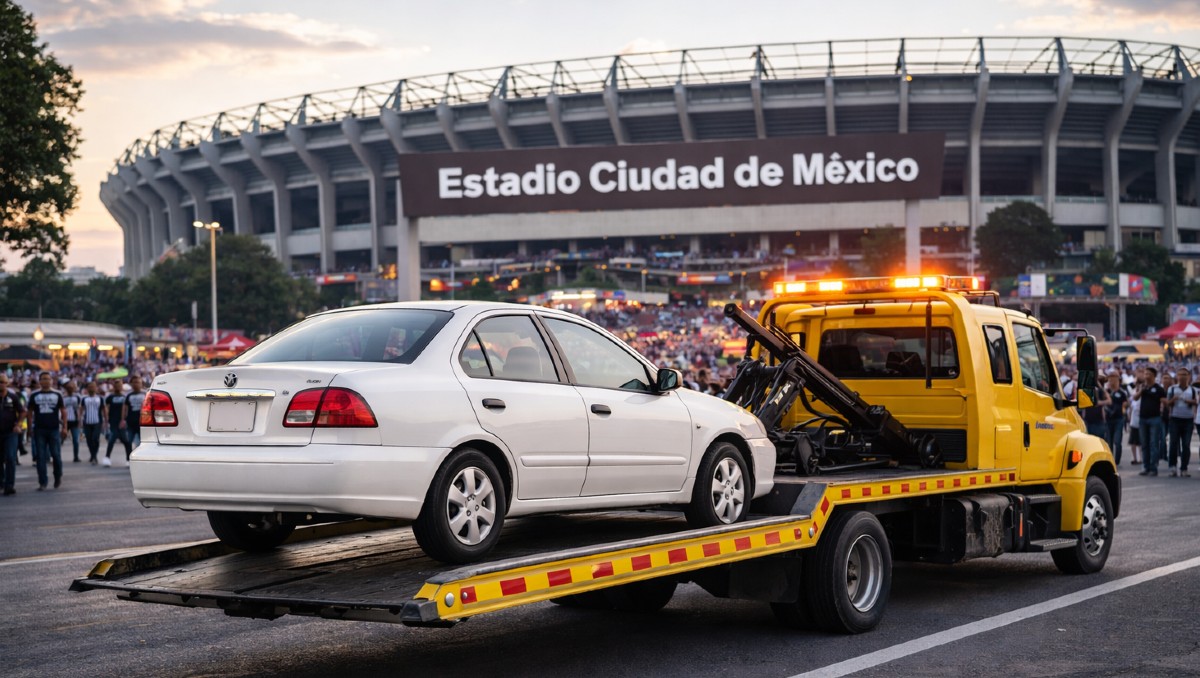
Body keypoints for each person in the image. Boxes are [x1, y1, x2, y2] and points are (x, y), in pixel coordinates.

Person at [28, 371, 67, 490]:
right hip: (39, 429)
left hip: (54, 429)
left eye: (48, 379)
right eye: (43, 379)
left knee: (56, 455)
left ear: (51, 381)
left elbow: (63, 411)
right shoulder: (34, 395)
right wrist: (30, 428)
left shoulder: (57, 394)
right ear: (39, 381)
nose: (45, 381)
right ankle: (42, 482)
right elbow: (29, 413)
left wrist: (65, 427)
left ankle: (57, 476)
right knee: (41, 456)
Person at [1134, 366, 1166, 477]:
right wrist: (1141, 390)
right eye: (1145, 374)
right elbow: (1135, 398)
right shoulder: (1142, 387)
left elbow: (1164, 401)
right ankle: (1145, 467)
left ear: (1154, 376)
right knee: (1144, 444)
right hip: (1142, 419)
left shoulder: (1159, 389)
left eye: (1148, 374)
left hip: (1155, 419)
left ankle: (1153, 467)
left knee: (1153, 444)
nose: (1146, 376)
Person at [1165, 367, 1196, 478]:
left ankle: (1184, 468)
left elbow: (1196, 402)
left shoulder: (1192, 390)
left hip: (1188, 420)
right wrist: (1173, 400)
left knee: (1186, 445)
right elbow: (1167, 403)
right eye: (1180, 374)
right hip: (1175, 419)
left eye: (1185, 374)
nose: (1182, 376)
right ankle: (1172, 466)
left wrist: (1189, 401)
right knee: (1173, 444)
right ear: (1177, 376)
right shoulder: (1172, 389)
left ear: (1188, 376)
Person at [0, 374, 25, 495]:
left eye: (3, 382)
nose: (1, 384)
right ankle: (1, 482)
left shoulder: (13, 397)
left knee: (10, 457)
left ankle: (10, 485)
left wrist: (18, 424)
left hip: (10, 432)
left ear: (7, 383)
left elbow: (22, 412)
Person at [1103, 372, 1129, 466]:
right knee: (1109, 441)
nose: (1111, 380)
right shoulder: (1106, 392)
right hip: (1108, 419)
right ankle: (1110, 460)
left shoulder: (1122, 392)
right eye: (1110, 378)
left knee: (1117, 441)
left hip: (1119, 419)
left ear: (1118, 379)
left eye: (1113, 378)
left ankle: (1117, 461)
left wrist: (1125, 405)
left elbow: (1127, 403)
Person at [102, 378, 128, 467]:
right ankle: (107, 457)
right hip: (113, 421)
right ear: (114, 386)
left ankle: (128, 459)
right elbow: (106, 408)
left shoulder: (125, 397)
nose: (118, 387)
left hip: (122, 422)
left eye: (119, 385)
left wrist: (124, 419)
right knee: (112, 439)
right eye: (116, 385)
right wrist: (106, 419)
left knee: (126, 440)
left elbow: (126, 409)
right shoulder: (110, 397)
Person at [80, 381, 104, 465]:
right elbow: (81, 410)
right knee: (89, 440)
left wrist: (106, 421)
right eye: (89, 387)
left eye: (93, 386)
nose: (91, 388)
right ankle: (93, 455)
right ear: (87, 389)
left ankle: (94, 456)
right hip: (87, 422)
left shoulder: (100, 398)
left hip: (97, 422)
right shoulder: (84, 399)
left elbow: (104, 410)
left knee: (95, 439)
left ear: (96, 388)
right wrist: (79, 420)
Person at [121, 375, 146, 453]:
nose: (136, 384)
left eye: (138, 382)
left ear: (141, 383)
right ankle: (128, 459)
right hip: (131, 422)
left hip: (142, 423)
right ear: (131, 384)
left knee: (142, 443)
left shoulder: (145, 394)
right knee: (129, 441)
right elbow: (124, 408)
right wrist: (123, 420)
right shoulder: (128, 395)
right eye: (134, 382)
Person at [63, 380, 82, 463]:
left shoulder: (77, 397)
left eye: (72, 388)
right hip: (65, 420)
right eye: (69, 388)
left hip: (74, 420)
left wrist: (79, 420)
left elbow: (79, 408)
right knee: (60, 439)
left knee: (76, 440)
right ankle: (55, 455)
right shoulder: (63, 397)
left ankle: (76, 456)